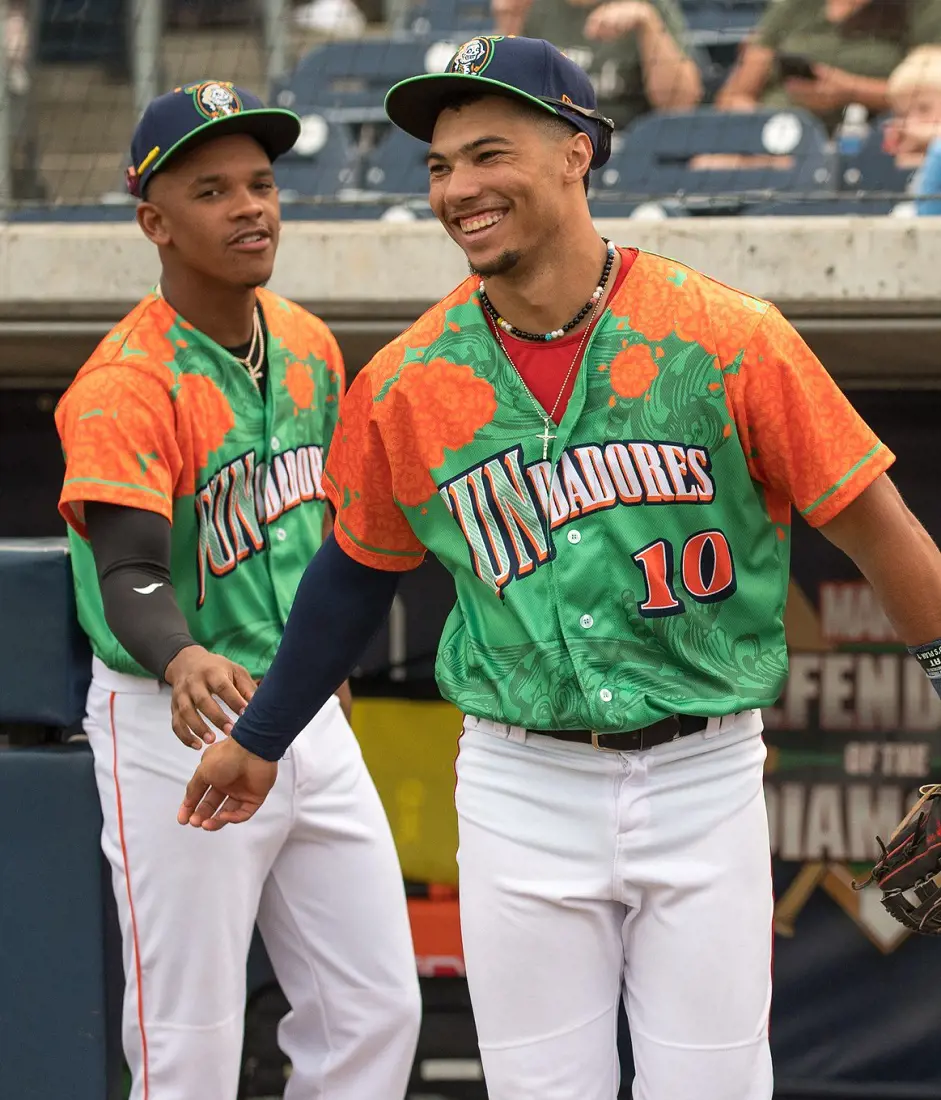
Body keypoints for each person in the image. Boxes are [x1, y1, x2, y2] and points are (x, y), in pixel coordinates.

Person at [176, 39, 941, 1100]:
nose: (457, 189)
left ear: (576, 152)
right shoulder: (406, 382)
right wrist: (259, 740)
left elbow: (879, 530)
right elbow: (356, 571)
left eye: (487, 154)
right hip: (517, 782)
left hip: (700, 773)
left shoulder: (726, 340)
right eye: (439, 166)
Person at [53, 80, 421, 1100]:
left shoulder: (307, 342)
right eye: (211, 190)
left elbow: (332, 528)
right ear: (153, 222)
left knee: (374, 1007)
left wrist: (319, 662)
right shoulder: (127, 378)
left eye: (260, 182)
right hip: (171, 718)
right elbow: (128, 566)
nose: (250, 206)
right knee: (189, 1040)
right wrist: (178, 652)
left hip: (299, 706)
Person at [715, 0, 941, 133]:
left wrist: (850, 91)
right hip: (777, 131)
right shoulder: (792, 6)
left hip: (868, 136)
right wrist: (764, 124)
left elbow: (929, 93)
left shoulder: (923, 7)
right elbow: (734, 94)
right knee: (712, 163)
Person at [501, 0, 703, 129]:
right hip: (551, 136)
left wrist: (647, 20)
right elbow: (510, 97)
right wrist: (510, 22)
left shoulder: (652, 5)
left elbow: (679, 104)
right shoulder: (534, 6)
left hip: (626, 141)